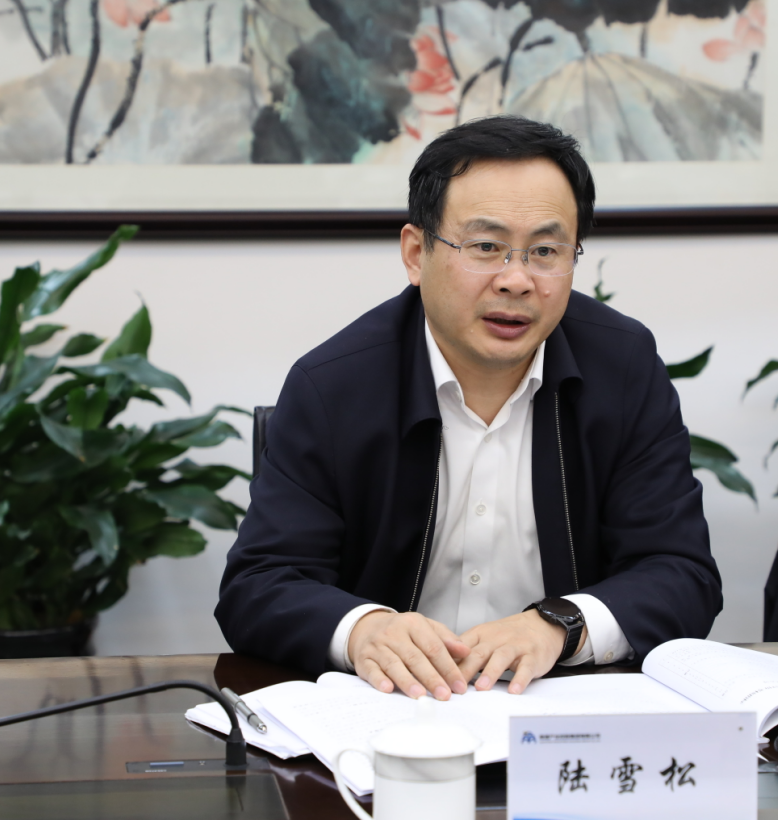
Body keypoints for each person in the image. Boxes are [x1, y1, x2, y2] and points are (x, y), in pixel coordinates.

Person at [216, 115, 722, 701]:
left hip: (560, 710)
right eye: (486, 247)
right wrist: (364, 631)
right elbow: (259, 584)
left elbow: (681, 573)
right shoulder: (333, 386)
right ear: (416, 253)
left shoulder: (624, 369)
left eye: (545, 251)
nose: (516, 280)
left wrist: (560, 625)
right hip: (389, 713)